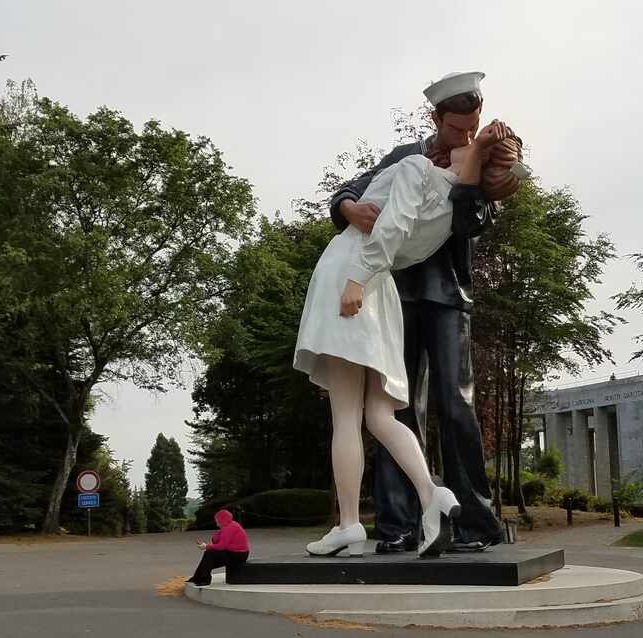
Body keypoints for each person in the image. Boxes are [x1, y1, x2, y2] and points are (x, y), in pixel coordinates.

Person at [294, 114, 524, 558]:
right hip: (388, 293)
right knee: (387, 415)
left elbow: (400, 228)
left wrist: (358, 280)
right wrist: (347, 206)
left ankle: (354, 524)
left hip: (366, 281)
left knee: (366, 413)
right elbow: (356, 192)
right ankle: (421, 503)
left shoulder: (431, 174)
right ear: (439, 119)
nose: (468, 135)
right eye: (461, 127)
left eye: (473, 134)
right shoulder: (418, 168)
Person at [187, 510, 250, 586]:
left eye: (218, 521)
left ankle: (204, 579)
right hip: (235, 553)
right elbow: (216, 540)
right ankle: (198, 577)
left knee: (209, 554)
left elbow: (221, 546)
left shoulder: (229, 528)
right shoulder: (230, 525)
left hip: (238, 555)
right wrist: (218, 534)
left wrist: (206, 546)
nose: (217, 524)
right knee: (209, 555)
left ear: (222, 520)